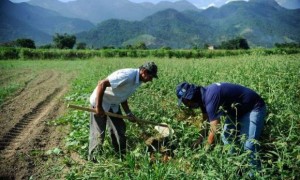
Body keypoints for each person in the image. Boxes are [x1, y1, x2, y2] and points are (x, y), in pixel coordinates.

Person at [176, 82, 266, 170]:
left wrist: (205, 151)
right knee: (227, 137)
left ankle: (254, 174)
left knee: (248, 145)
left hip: (253, 107)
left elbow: (214, 129)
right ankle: (235, 167)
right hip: (236, 111)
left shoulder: (210, 97)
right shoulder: (202, 98)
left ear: (191, 96)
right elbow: (206, 122)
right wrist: (199, 139)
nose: (186, 105)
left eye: (185, 101)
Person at [89, 62, 158, 160]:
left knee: (119, 130)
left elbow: (123, 95)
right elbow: (102, 84)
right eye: (150, 77)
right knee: (98, 134)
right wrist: (98, 107)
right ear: (144, 72)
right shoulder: (127, 76)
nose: (151, 80)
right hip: (100, 102)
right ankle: (92, 160)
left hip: (113, 104)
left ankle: (121, 157)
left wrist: (128, 113)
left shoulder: (138, 81)